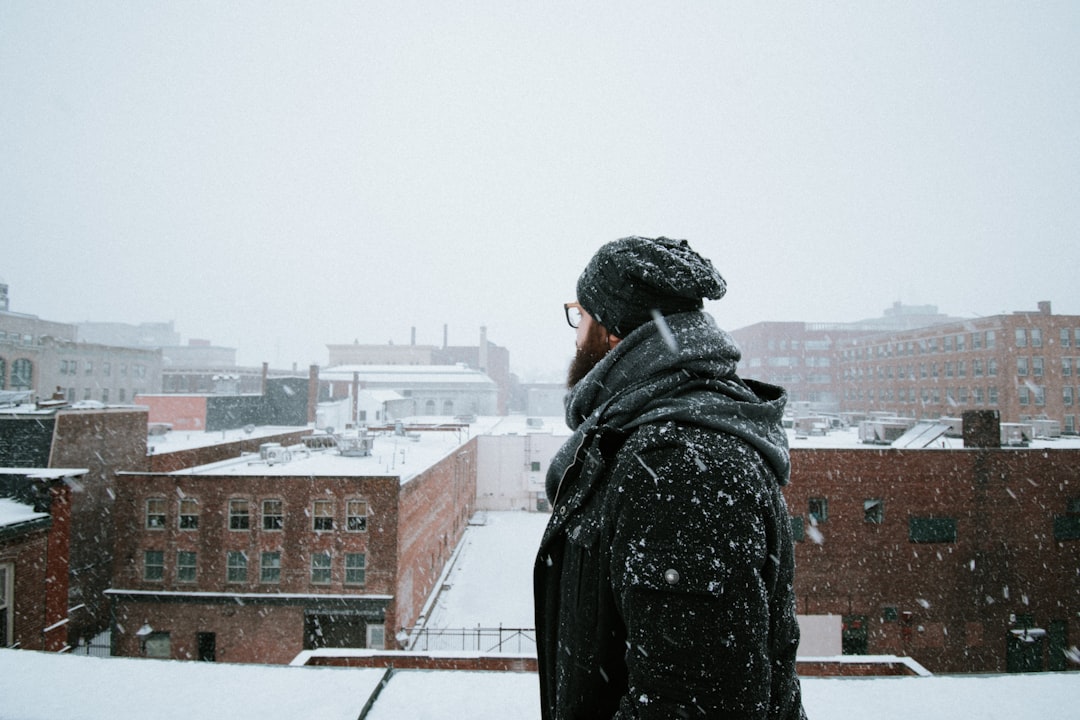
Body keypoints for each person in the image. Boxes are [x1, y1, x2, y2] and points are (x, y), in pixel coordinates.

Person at [534, 236, 806, 719]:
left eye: (582, 314)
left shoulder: (679, 469)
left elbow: (692, 704)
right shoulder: (650, 439)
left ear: (612, 333)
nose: (576, 335)